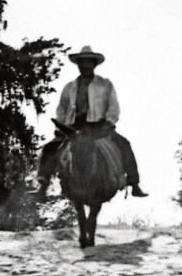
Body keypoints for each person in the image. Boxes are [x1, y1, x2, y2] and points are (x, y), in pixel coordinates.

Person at [35, 45, 148, 199]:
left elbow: (113, 106)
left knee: (124, 144)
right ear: (78, 65)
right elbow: (62, 108)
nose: (85, 66)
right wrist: (62, 125)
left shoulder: (105, 84)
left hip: (97, 126)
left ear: (94, 64)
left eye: (89, 62)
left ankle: (134, 183)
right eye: (82, 63)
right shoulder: (70, 87)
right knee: (50, 147)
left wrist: (109, 121)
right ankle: (43, 185)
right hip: (73, 127)